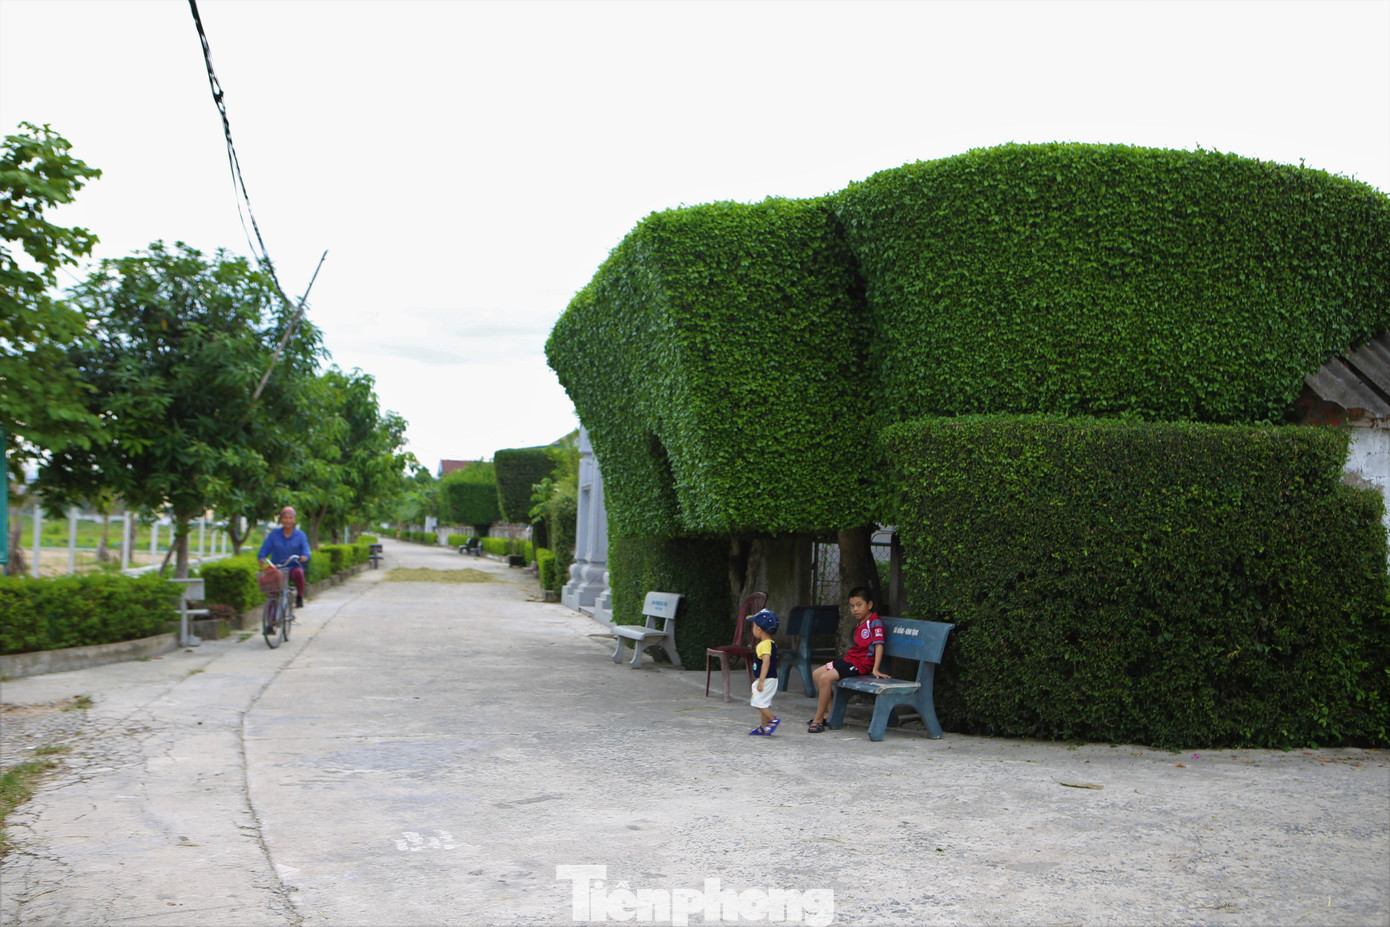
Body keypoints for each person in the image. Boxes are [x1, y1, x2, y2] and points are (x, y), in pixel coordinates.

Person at [807, 586, 887, 732]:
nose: (855, 609)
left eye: (859, 605)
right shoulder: (861, 622)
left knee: (825, 678)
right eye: (852, 606)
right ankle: (831, 713)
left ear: (869, 605)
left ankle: (818, 719)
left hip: (861, 664)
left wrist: (875, 668)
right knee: (817, 674)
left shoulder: (875, 622)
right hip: (850, 660)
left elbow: (879, 645)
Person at [259, 506, 310, 609]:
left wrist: (305, 556)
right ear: (281, 520)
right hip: (277, 568)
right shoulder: (274, 534)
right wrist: (261, 557)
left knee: (299, 573)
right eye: (285, 518)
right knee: (272, 592)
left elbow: (306, 549)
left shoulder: (300, 535)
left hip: (293, 567)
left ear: (294, 520)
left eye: (290, 518)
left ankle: (299, 596)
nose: (288, 520)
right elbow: (265, 548)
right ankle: (270, 620)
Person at [747, 608, 781, 736]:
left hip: (766, 679)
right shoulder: (769, 643)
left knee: (757, 702)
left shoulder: (765, 644)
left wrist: (761, 680)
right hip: (768, 679)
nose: (753, 630)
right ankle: (763, 726)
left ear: (759, 629)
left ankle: (772, 720)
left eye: (753, 626)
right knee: (763, 702)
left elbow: (766, 662)